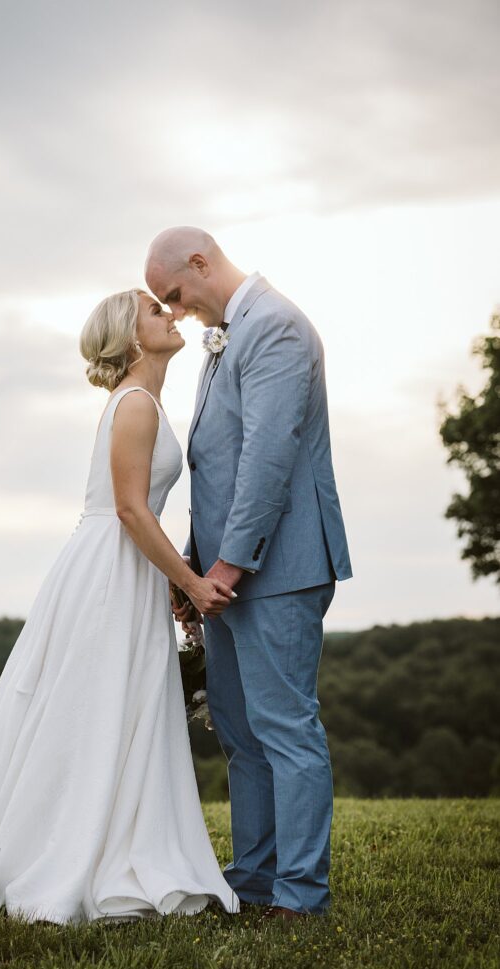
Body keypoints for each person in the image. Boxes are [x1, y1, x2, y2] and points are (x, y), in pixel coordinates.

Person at [0, 288, 239, 925]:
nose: (169, 313)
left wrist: (166, 577)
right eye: (153, 311)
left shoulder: (143, 401)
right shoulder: (136, 403)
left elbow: (136, 513)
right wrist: (193, 583)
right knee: (95, 705)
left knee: (114, 706)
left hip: (125, 565)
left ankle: (113, 840)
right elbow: (131, 510)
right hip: (108, 568)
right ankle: (61, 854)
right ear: (133, 338)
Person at [145, 227, 353, 922]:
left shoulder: (275, 327)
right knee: (239, 730)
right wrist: (192, 571)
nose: (173, 310)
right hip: (225, 574)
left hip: (279, 565)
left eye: (173, 294)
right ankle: (254, 883)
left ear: (199, 263)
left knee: (284, 727)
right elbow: (220, 467)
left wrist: (223, 568)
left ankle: (299, 896)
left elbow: (267, 456)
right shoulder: (229, 332)